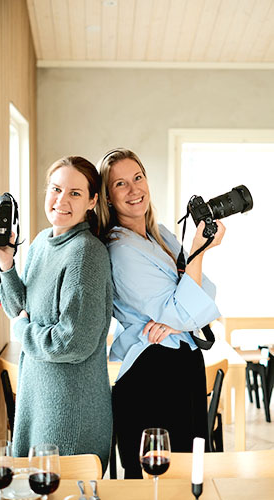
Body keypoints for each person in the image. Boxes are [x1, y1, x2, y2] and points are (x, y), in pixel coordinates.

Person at [96, 148, 225, 478]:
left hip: (183, 364)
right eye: (120, 184)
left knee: (189, 475)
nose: (133, 189)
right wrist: (198, 252)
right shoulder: (120, 249)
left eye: (138, 178)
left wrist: (176, 317)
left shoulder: (162, 233)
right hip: (151, 374)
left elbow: (205, 293)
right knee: (153, 481)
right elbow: (187, 307)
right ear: (108, 197)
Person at [0, 156, 113, 472]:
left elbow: (72, 343)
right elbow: (17, 307)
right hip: (36, 401)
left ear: (92, 201)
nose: (61, 200)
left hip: (70, 411)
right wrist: (6, 263)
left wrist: (22, 330)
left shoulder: (86, 254)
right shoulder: (43, 242)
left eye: (75, 193)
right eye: (56, 189)